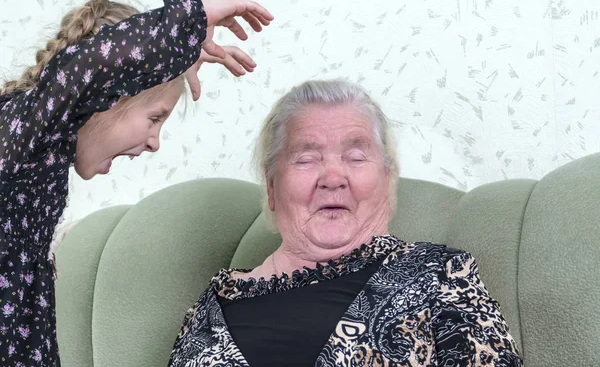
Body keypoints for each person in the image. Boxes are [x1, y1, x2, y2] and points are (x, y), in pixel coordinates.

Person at [0, 0, 273, 366]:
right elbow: (88, 66)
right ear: (107, 95)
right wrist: (183, 26)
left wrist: (170, 60)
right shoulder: (18, 133)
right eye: (156, 117)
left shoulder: (38, 159)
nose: (153, 143)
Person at [168, 79, 523, 366]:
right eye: (306, 159)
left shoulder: (438, 274)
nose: (333, 177)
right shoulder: (212, 305)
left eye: (355, 157)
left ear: (387, 179)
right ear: (273, 186)